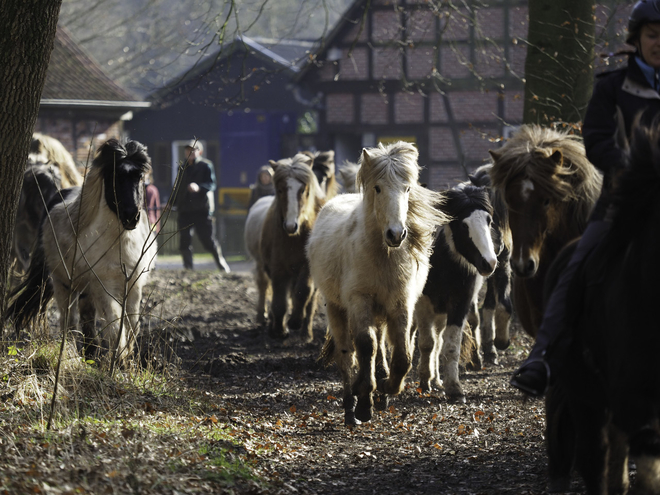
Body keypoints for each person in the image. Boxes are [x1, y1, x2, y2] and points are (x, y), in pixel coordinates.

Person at [510, 0, 660, 397]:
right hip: (620, 203)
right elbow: (595, 139)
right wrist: (632, 166)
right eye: (653, 34)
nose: (659, 42)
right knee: (576, 266)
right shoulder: (611, 87)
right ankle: (541, 357)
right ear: (638, 39)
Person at [175, 140, 231, 273]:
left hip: (201, 210)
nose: (190, 152)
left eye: (193, 150)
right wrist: (171, 202)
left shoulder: (206, 166)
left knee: (208, 240)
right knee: (184, 239)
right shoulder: (182, 168)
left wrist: (198, 187)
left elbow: (212, 184)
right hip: (185, 210)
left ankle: (221, 264)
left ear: (199, 152)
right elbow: (178, 188)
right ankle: (188, 269)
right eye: (188, 150)